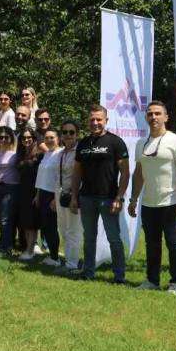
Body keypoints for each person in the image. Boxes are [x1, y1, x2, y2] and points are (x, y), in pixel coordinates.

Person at [129, 101, 176, 294]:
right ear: (146, 118)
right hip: (149, 203)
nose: (153, 117)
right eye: (150, 114)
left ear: (166, 117)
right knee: (152, 245)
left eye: (158, 113)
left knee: (174, 245)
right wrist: (133, 199)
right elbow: (138, 174)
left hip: (172, 203)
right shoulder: (141, 143)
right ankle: (152, 280)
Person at [71, 104, 130, 283]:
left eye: (99, 119)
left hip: (109, 198)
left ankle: (119, 276)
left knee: (114, 238)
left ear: (106, 120)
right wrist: (74, 196)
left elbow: (125, 173)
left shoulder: (116, 142)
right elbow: (77, 172)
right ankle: (88, 272)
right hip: (86, 198)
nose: (95, 123)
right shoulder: (83, 143)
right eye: (92, 119)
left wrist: (119, 197)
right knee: (89, 238)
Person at [0, 126, 19, 255]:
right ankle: (5, 243)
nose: (3, 140)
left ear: (11, 138)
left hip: (10, 187)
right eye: (0, 137)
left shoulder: (15, 153)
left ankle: (6, 247)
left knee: (6, 217)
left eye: (6, 137)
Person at [56, 120, 83, 271]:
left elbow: (83, 176)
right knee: (63, 229)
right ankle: (69, 259)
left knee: (73, 230)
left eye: (71, 132)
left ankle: (72, 264)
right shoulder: (60, 153)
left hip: (74, 195)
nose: (68, 135)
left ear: (77, 134)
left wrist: (75, 196)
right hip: (61, 194)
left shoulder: (80, 152)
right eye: (65, 132)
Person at [35, 129, 62, 267]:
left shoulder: (60, 154)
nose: (49, 140)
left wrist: (56, 198)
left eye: (52, 137)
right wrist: (37, 195)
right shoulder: (46, 154)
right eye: (46, 138)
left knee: (51, 227)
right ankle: (52, 253)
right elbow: (41, 176)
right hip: (43, 194)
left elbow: (60, 178)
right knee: (45, 226)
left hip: (53, 195)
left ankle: (55, 258)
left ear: (58, 139)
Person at [15, 128, 42, 262]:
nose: (26, 140)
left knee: (31, 223)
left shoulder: (39, 155)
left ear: (34, 138)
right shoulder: (21, 153)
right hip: (22, 191)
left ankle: (30, 250)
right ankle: (29, 248)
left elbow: (41, 176)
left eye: (29, 137)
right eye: (23, 138)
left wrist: (38, 195)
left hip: (34, 191)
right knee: (25, 222)